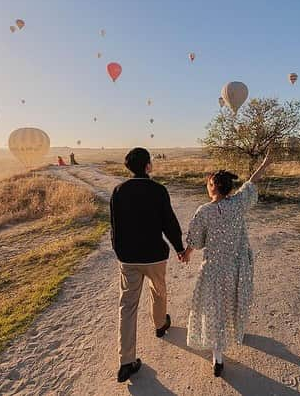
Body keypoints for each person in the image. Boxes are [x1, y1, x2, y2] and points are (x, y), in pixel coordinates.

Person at [180, 151, 273, 377]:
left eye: (209, 183)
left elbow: (195, 241)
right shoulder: (238, 204)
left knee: (214, 310)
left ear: (213, 186)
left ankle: (217, 357)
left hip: (213, 270)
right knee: (232, 304)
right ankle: (234, 335)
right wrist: (265, 164)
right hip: (236, 268)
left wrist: (186, 254)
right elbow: (252, 183)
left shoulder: (204, 211)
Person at [110, 147, 186, 383]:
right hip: (154, 256)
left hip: (129, 258)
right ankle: (160, 324)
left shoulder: (118, 191)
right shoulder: (158, 190)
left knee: (127, 307)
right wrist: (179, 248)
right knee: (158, 290)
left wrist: (119, 252)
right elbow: (169, 223)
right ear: (147, 166)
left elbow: (114, 227)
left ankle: (126, 362)